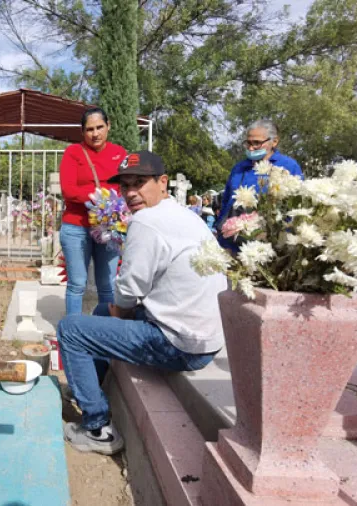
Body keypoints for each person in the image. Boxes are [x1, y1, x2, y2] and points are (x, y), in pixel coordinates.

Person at [58, 151, 227, 456]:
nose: (131, 193)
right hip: (204, 337)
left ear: (163, 183)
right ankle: (88, 388)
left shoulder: (148, 221)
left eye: (139, 183)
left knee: (70, 330)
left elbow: (129, 290)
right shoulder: (185, 215)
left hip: (179, 344)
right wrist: (116, 311)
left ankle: (98, 428)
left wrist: (120, 313)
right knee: (99, 311)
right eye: (125, 186)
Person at [59, 107, 127, 316]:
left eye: (99, 127)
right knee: (77, 284)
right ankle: (73, 334)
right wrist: (104, 198)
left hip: (108, 229)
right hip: (76, 228)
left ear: (108, 126)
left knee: (107, 284)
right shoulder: (73, 153)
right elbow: (68, 190)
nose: (95, 133)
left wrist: (109, 201)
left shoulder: (119, 153)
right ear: (82, 132)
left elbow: (126, 186)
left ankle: (104, 332)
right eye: (89, 129)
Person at [216, 120, 303, 251]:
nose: (251, 148)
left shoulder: (288, 166)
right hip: (230, 244)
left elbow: (296, 208)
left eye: (256, 143)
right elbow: (226, 202)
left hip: (268, 247)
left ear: (274, 142)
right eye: (248, 143)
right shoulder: (238, 168)